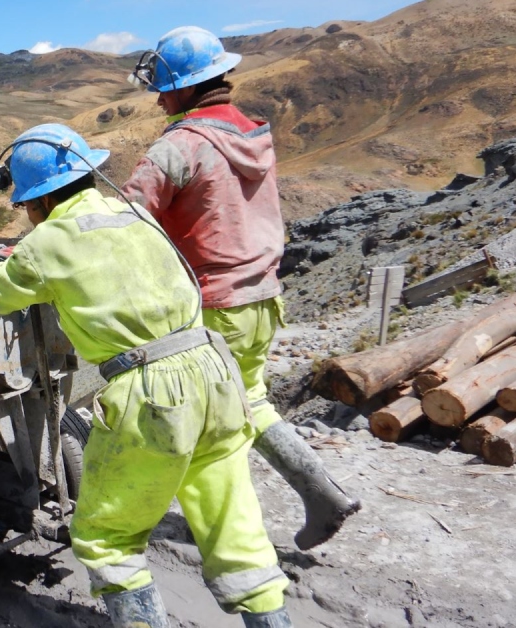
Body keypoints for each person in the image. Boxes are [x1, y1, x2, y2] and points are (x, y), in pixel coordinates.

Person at [0, 124, 293, 627]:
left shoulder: (47, 242)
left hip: (152, 392)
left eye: (24, 207)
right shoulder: (135, 214)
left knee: (106, 537)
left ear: (35, 203)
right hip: (216, 373)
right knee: (232, 527)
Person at [121, 26, 360, 551]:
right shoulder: (253, 133)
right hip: (263, 297)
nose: (159, 98)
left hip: (211, 307)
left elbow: (126, 222)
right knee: (249, 401)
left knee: (207, 433)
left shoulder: (177, 148)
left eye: (164, 87)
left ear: (188, 87)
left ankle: (228, 540)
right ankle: (321, 492)